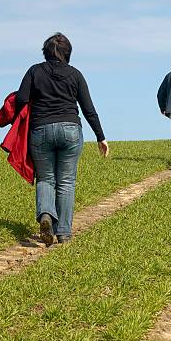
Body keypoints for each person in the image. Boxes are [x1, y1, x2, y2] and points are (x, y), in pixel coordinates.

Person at [16, 32, 109, 246]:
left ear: (45, 52)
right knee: (66, 181)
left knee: (46, 178)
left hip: (40, 130)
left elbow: (21, 99)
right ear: (68, 53)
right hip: (70, 130)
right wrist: (100, 137)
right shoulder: (75, 74)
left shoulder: (34, 71)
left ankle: (46, 215)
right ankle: (64, 233)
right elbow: (89, 109)